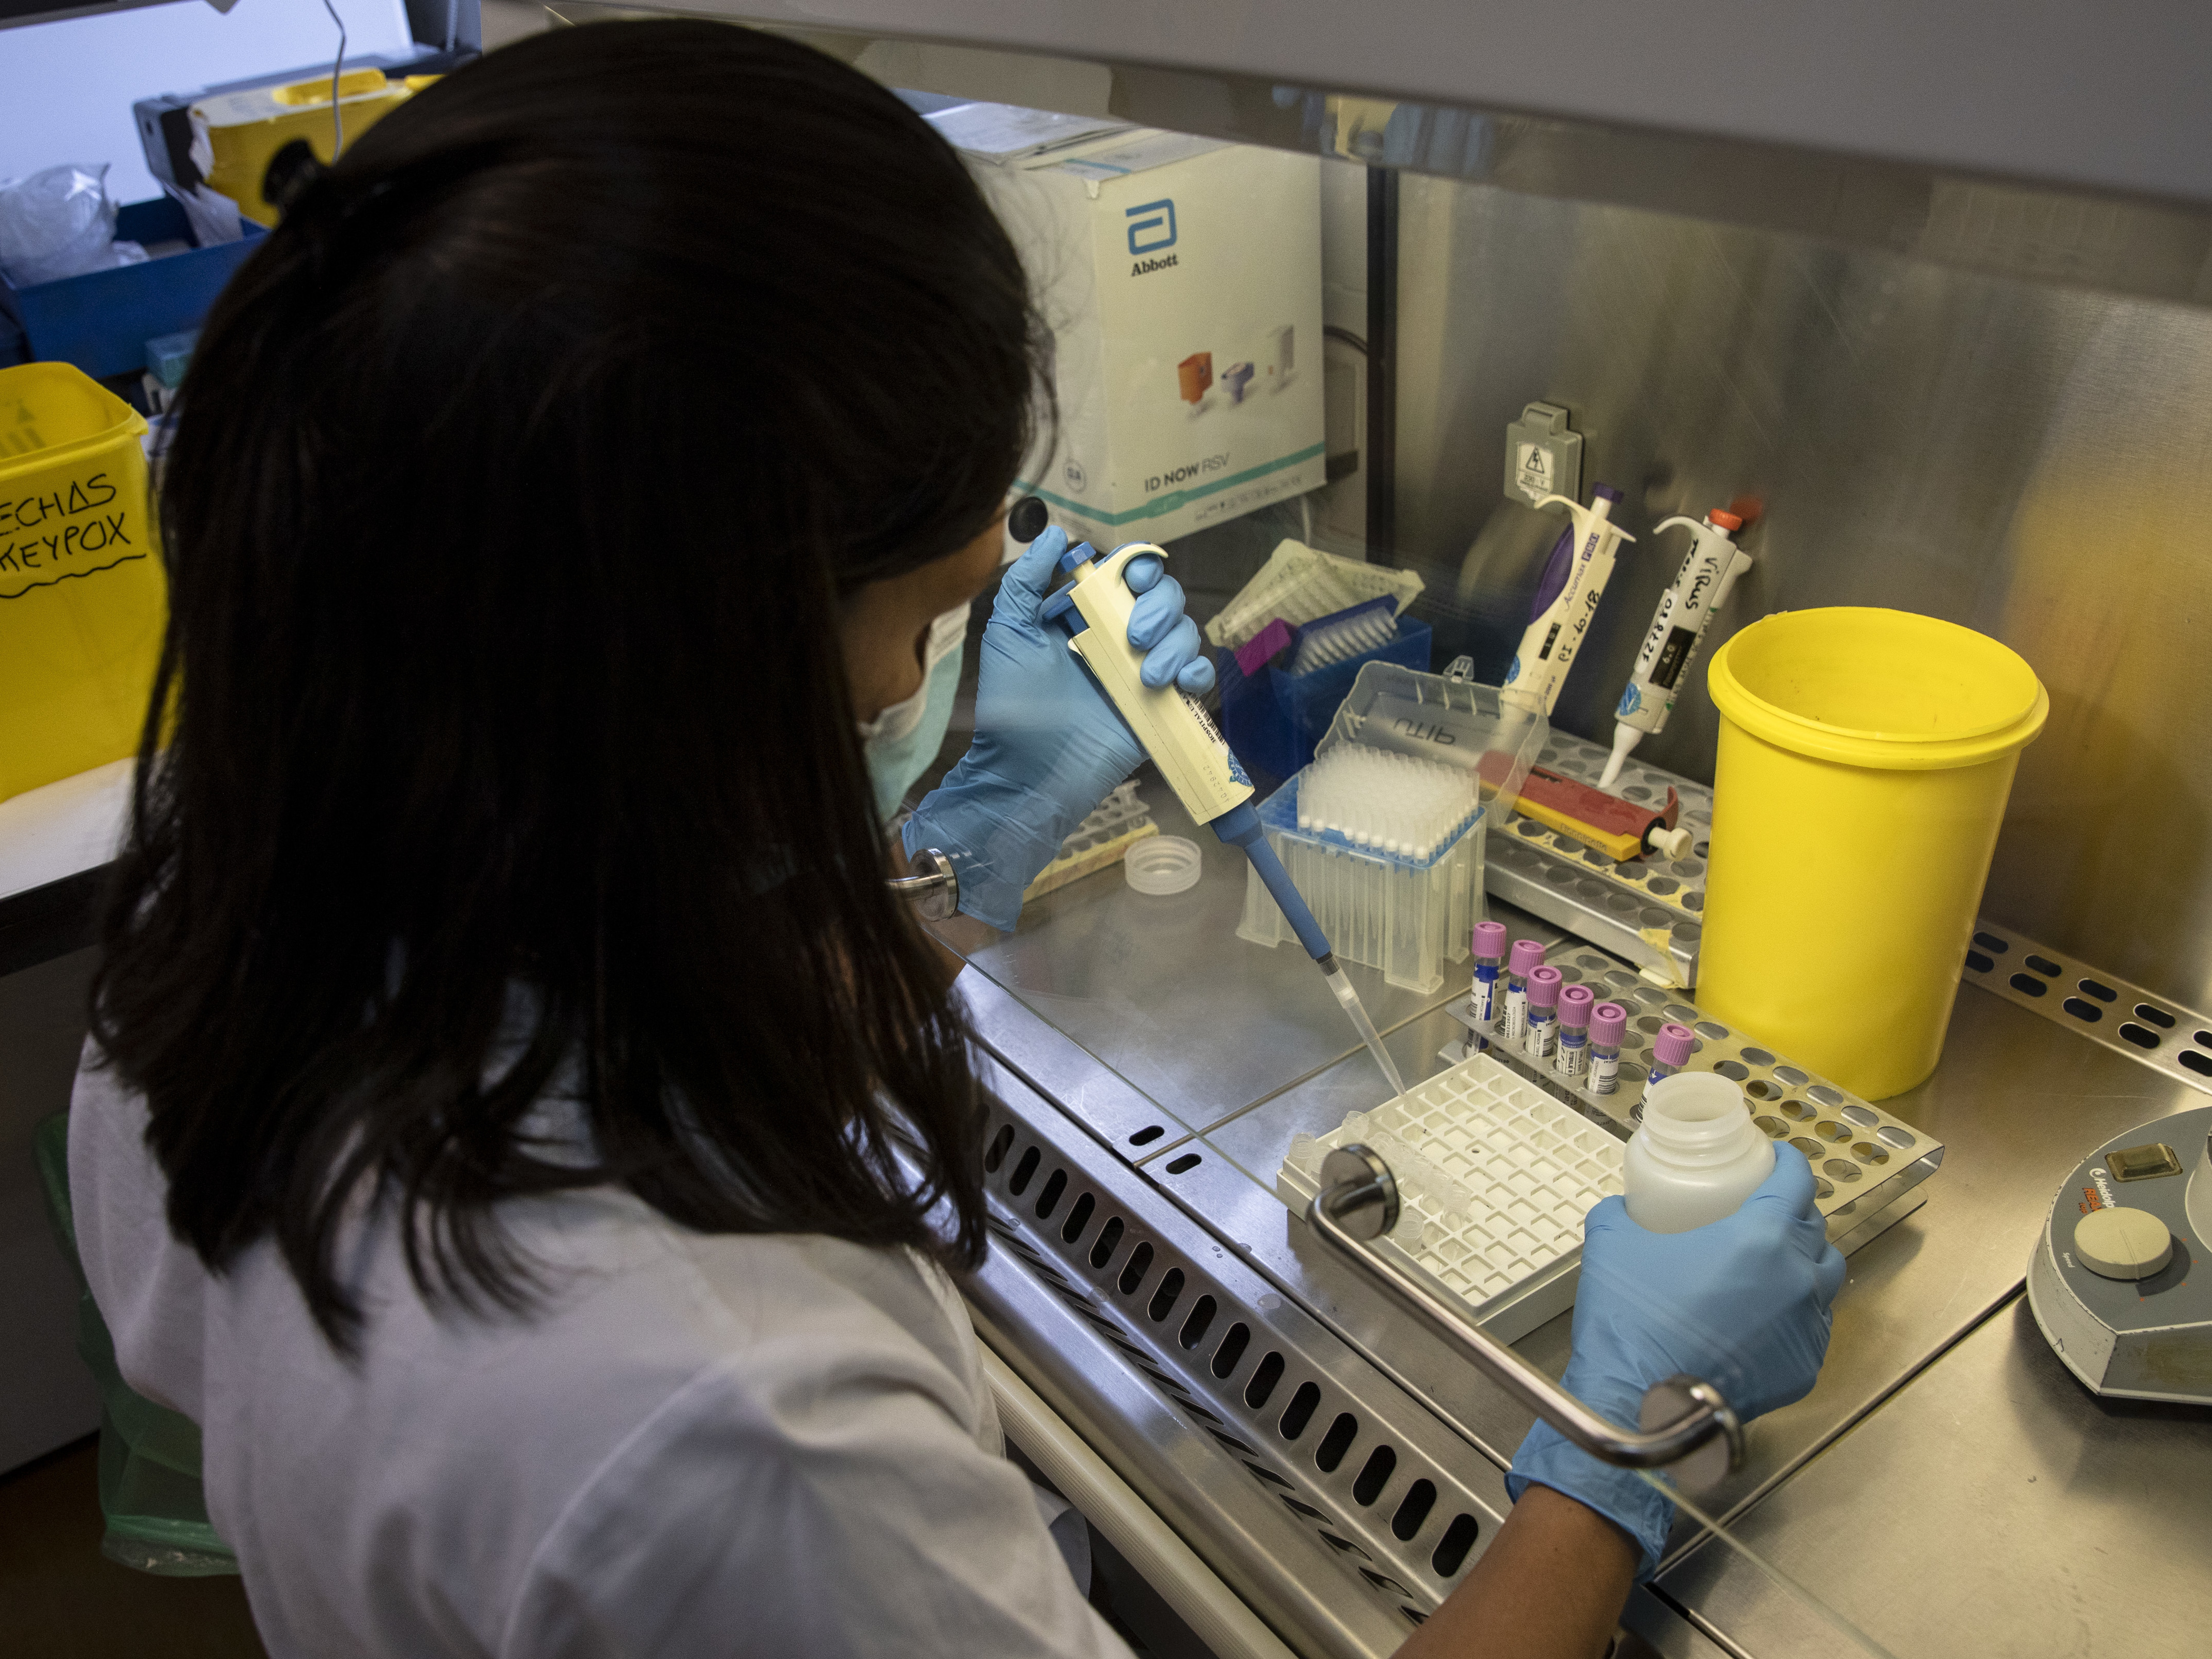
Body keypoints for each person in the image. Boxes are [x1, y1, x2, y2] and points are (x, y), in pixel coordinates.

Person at [66, 21, 1844, 1659]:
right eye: (922, 623)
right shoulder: (734, 1432)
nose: (917, 685)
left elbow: (615, 1035)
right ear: (687, 673)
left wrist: (950, 870)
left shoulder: (234, 908)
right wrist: (1615, 1463)